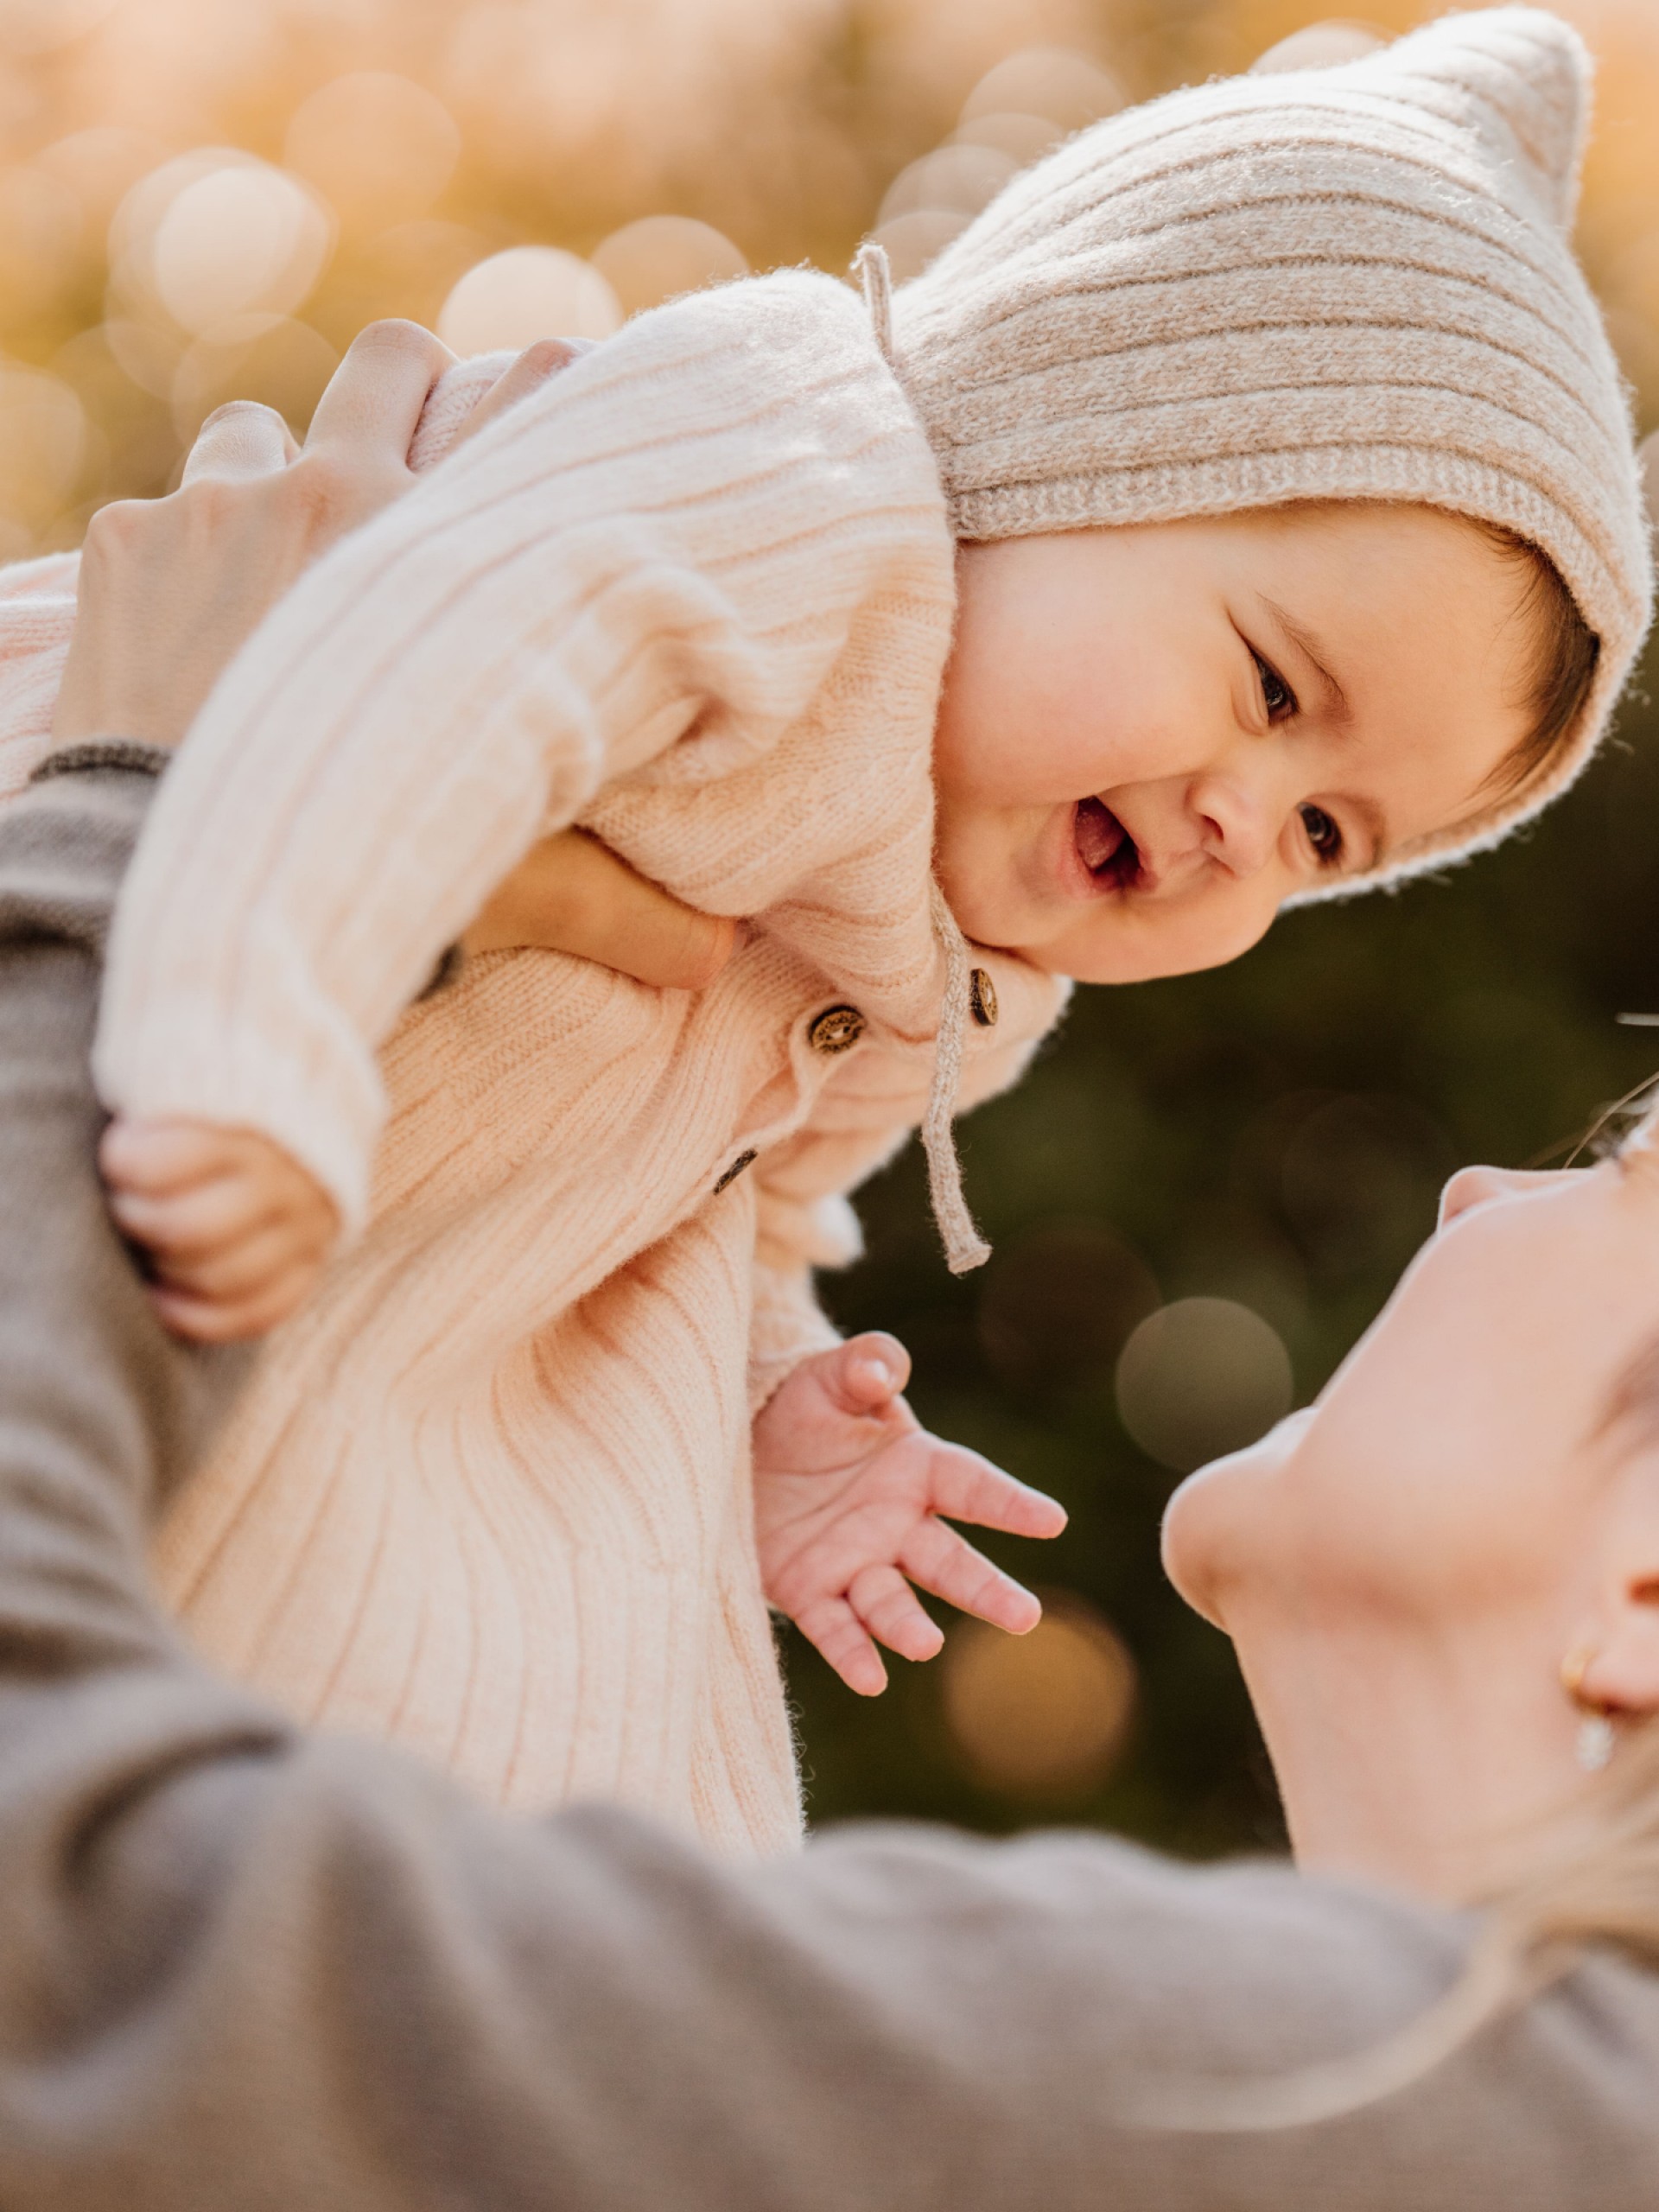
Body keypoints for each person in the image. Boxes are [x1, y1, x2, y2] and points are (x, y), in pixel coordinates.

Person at [15, 8, 1655, 1853]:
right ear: (1065, 430)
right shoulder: (797, 467)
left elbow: (733, 1215)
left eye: (1331, 832)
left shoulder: (949, 966)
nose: (1240, 828)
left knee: (604, 1711)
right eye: (1274, 687)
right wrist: (238, 1044)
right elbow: (410, 677)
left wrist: (766, 1401)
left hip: (327, 1376)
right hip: (184, 1000)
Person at [0, 728, 1656, 2208]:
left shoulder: (1369, 2108)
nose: (1482, 1192)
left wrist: (165, 830)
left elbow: (70, 1956)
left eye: (1622, 1173)